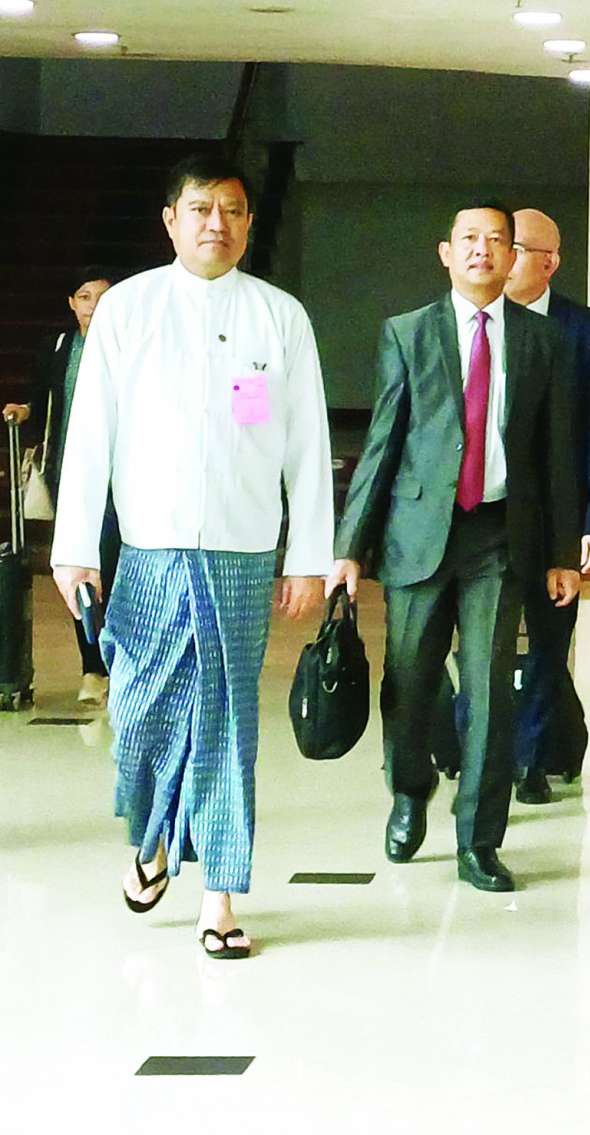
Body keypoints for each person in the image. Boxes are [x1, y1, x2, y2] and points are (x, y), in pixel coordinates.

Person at [50, 153, 333, 960]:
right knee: (140, 711)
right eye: (202, 208)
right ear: (171, 219)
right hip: (148, 548)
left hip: (241, 551)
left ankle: (221, 897)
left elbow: (307, 442)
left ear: (249, 223)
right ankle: (151, 839)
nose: (218, 223)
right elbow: (89, 434)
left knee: (226, 721)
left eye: (233, 210)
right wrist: (75, 547)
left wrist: (308, 554)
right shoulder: (128, 309)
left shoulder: (279, 317)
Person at [329, 200, 580, 893]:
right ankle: (409, 791)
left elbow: (556, 451)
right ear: (446, 252)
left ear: (513, 256)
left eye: (496, 240)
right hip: (417, 534)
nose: (481, 250)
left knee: (491, 689)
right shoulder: (407, 333)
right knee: (409, 681)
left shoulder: (542, 340)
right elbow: (383, 442)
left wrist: (562, 552)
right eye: (469, 238)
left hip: (499, 534)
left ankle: (479, 839)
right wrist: (350, 545)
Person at [503, 207, 590, 804]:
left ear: (549, 262)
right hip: (488, 516)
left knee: (550, 644)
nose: (500, 256)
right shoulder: (475, 321)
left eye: (515, 247)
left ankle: (529, 758)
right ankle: (490, 749)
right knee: (485, 643)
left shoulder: (586, 330)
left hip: (559, 519)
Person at [2, 267, 118, 703]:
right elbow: (42, 397)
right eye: (85, 297)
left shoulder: (131, 347)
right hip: (69, 476)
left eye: (104, 297)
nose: (94, 307)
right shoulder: (59, 347)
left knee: (115, 570)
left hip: (121, 480)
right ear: (72, 303)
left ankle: (118, 665)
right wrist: (25, 411)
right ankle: (93, 670)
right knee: (80, 570)